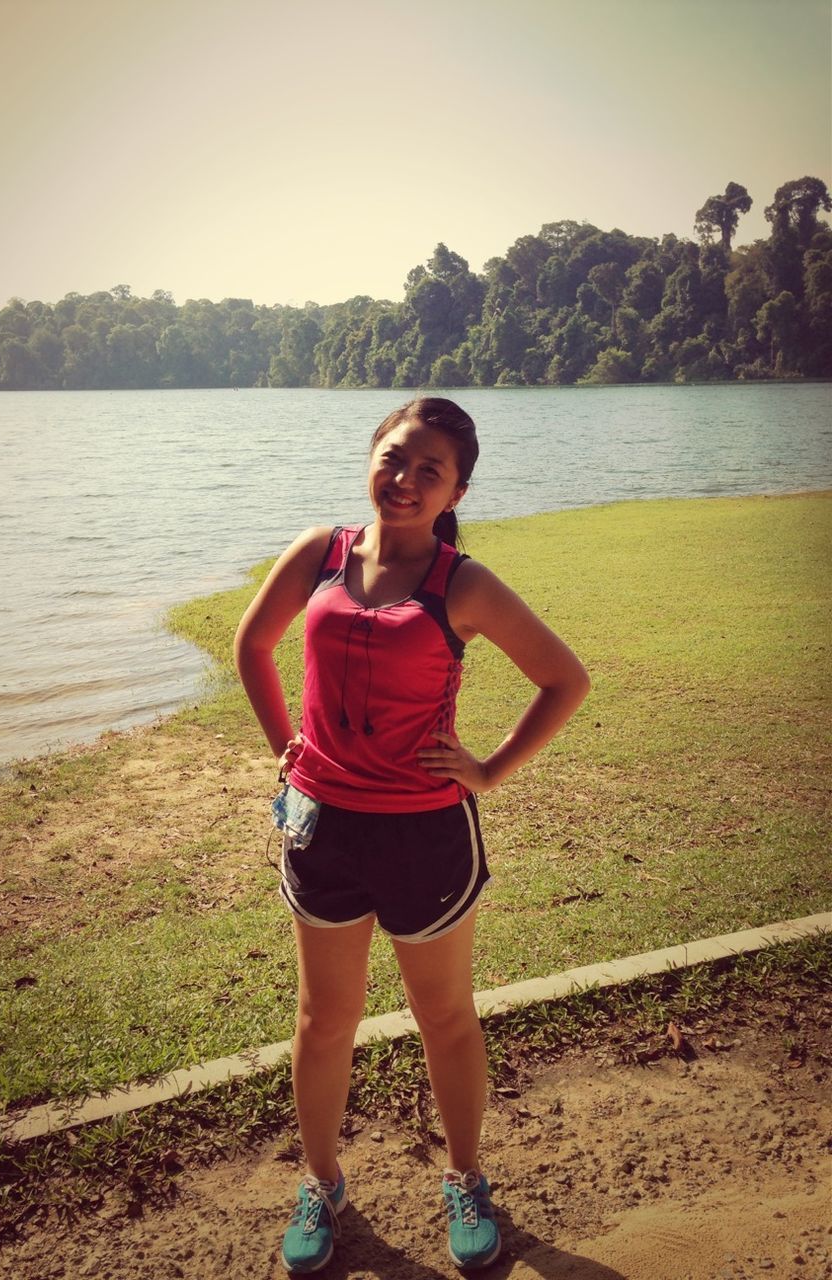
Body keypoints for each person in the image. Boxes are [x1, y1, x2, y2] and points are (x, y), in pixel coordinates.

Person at [234, 397, 590, 1274]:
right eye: (394, 458)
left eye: (429, 470)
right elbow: (253, 644)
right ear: (371, 458)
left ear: (455, 489)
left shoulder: (459, 582)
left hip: (425, 835)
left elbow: (563, 679)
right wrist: (286, 745)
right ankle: (321, 1183)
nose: (405, 479)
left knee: (443, 1017)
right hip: (322, 827)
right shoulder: (319, 553)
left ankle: (465, 1179)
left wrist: (490, 769)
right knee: (324, 1022)